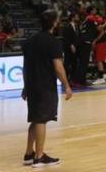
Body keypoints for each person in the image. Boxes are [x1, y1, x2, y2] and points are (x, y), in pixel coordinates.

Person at [21, 10, 72, 168]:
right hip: (45, 87)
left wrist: (25, 86)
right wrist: (67, 85)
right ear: (54, 23)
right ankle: (39, 157)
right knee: (41, 120)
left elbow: (25, 67)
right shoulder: (53, 42)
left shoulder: (29, 41)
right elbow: (58, 67)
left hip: (32, 86)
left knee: (36, 119)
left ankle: (29, 154)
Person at [62, 11, 80, 82]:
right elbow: (66, 37)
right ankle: (65, 79)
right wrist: (71, 45)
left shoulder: (77, 26)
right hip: (68, 48)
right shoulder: (66, 26)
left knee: (74, 64)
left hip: (75, 48)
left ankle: (73, 78)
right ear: (72, 18)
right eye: (76, 16)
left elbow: (76, 37)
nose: (78, 17)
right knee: (67, 63)